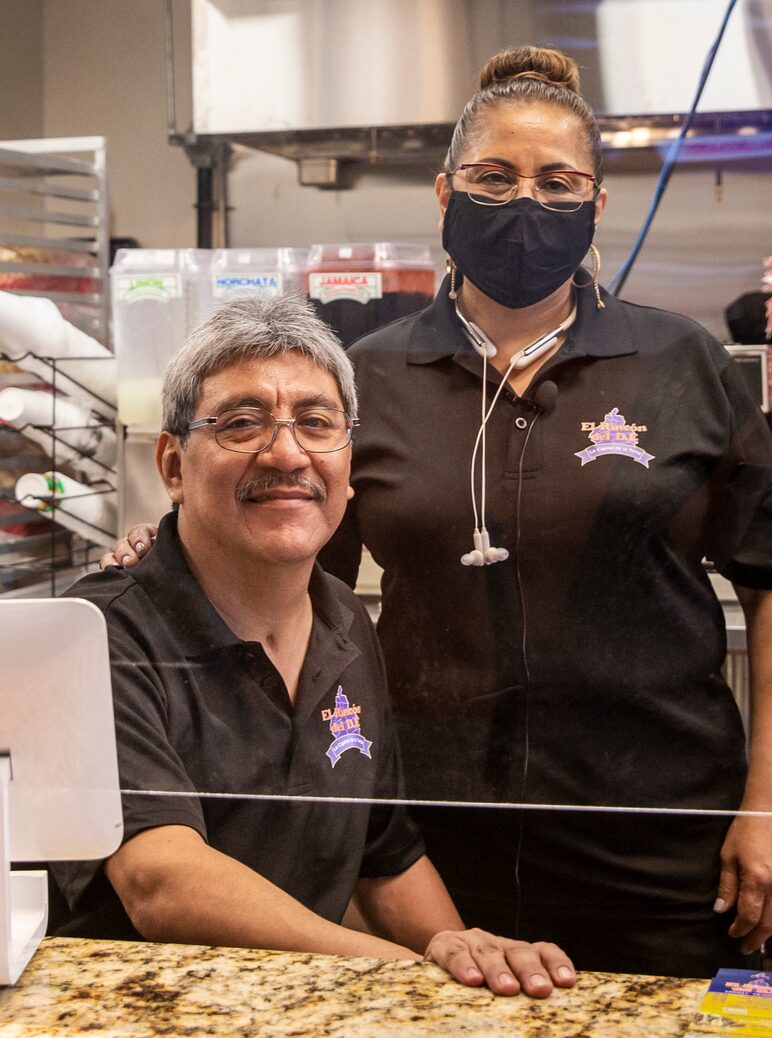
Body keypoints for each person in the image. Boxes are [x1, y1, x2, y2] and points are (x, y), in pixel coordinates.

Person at [106, 46, 772, 979]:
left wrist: (769, 806)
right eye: (494, 176)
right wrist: (172, 544)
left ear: (598, 207)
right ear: (445, 197)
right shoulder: (372, 377)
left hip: (658, 837)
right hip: (433, 844)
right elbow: (294, 559)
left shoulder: (681, 363)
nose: (526, 202)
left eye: (559, 181)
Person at [52, 295, 576, 999]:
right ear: (173, 465)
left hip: (306, 1008)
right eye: (241, 423)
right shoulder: (102, 632)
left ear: (347, 463)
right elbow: (161, 879)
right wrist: (402, 974)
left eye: (316, 422)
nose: (287, 452)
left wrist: (460, 962)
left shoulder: (345, 622)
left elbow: (385, 854)